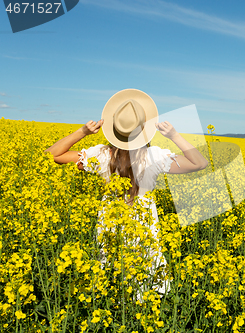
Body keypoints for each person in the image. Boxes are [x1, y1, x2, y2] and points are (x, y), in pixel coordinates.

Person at [44, 89, 209, 298]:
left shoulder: (101, 155)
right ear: (144, 129)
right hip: (144, 231)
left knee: (111, 288)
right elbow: (200, 163)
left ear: (114, 129)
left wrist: (83, 132)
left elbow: (52, 155)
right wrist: (174, 135)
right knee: (147, 292)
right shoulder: (154, 156)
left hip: (109, 228)